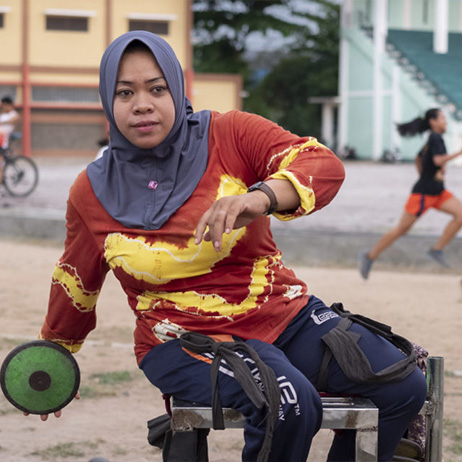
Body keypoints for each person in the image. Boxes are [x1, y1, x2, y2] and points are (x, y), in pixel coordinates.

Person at [33, 31, 427, 462]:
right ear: (108, 102)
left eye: (157, 89)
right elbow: (76, 279)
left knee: (402, 385)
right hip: (182, 339)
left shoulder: (230, 134)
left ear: (177, 89)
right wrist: (53, 357)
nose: (141, 104)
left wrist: (261, 197)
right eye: (124, 92)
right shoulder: (90, 190)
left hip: (283, 315)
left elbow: (322, 164)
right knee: (288, 403)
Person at [360, 108, 462, 279]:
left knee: (460, 215)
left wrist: (428, 173)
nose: (445, 122)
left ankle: (436, 250)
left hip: (438, 192)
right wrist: (458, 153)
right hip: (423, 194)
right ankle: (369, 256)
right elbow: (437, 159)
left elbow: (418, 158)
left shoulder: (433, 139)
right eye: (443, 119)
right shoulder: (435, 137)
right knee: (402, 229)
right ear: (433, 122)